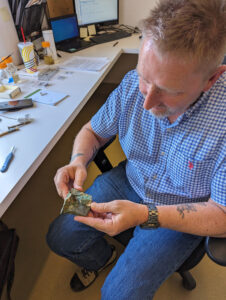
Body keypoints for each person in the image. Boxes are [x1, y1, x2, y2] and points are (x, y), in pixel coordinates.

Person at [46, 0, 226, 299]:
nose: (147, 102)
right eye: (145, 78)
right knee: (60, 236)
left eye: (169, 91)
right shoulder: (132, 86)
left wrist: (145, 214)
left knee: (118, 295)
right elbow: (92, 131)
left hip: (179, 208)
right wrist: (78, 160)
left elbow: (222, 215)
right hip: (130, 180)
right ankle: (104, 259)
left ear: (212, 78)